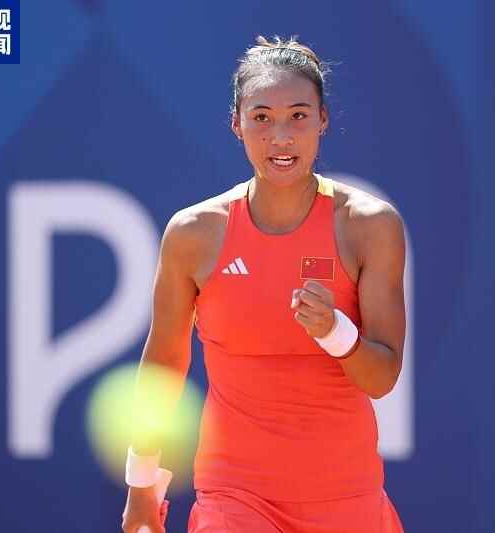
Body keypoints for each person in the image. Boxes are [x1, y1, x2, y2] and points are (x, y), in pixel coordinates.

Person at [121, 35, 406, 533]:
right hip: (233, 496)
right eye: (261, 117)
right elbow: (164, 363)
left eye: (298, 116)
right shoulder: (193, 233)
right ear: (237, 124)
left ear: (322, 120)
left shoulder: (369, 225)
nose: (281, 137)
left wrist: (336, 332)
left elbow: (381, 377)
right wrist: (141, 484)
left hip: (346, 494)